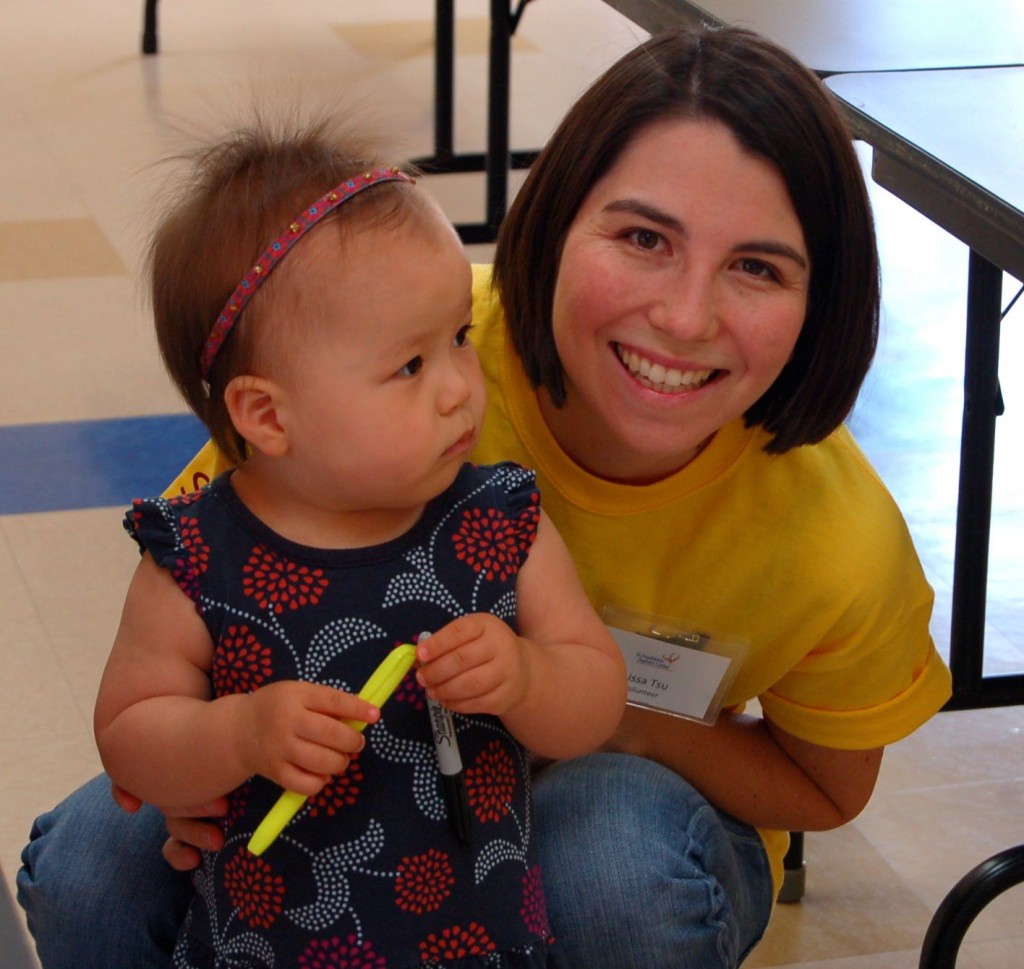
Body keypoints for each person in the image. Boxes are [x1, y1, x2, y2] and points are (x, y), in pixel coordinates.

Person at [18, 25, 952, 969]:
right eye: (641, 237)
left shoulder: (527, 506)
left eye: (757, 266)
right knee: (91, 861)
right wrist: (207, 760)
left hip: (586, 816)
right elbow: (155, 686)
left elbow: (823, 788)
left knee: (611, 858)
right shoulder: (363, 336)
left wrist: (561, 696)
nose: (684, 316)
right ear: (553, 221)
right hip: (301, 839)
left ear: (823, 293)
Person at [87, 120, 626, 968]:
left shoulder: (498, 522)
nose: (459, 388)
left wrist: (526, 677)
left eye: (456, 337)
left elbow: (596, 695)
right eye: (410, 367)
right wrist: (237, 734)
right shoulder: (195, 556)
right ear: (268, 415)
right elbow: (128, 732)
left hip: (476, 944)